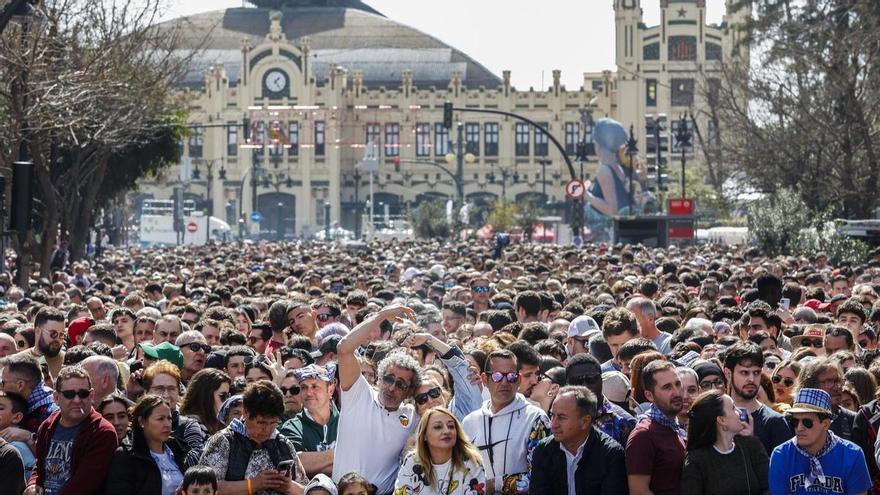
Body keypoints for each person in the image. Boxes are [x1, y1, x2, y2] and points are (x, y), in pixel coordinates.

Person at [332, 305, 421, 494]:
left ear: (410, 391)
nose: (392, 387)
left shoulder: (414, 417)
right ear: (379, 378)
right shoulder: (359, 394)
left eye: (401, 384)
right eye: (388, 379)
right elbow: (344, 348)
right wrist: (381, 316)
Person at [462, 349, 549, 494]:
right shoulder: (469, 422)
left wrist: (496, 484)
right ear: (484, 379)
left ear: (519, 379)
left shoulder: (535, 418)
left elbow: (541, 475)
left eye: (511, 377)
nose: (505, 382)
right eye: (497, 376)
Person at [199, 380, 307, 495]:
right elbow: (203, 487)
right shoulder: (224, 441)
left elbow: (306, 490)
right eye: (261, 423)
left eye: (273, 423)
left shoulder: (283, 444)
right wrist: (253, 484)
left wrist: (289, 486)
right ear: (245, 412)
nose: (267, 430)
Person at [27, 366, 118, 495]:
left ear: (91, 395)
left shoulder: (102, 432)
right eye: (69, 394)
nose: (77, 400)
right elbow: (41, 466)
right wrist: (33, 483)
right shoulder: (47, 425)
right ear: (56, 397)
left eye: (83, 394)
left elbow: (84, 485)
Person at [770, 388, 871, 495]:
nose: (799, 428)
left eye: (807, 422)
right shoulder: (781, 454)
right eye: (794, 422)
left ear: (826, 424)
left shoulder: (852, 454)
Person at [530, 386, 627, 495]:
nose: (554, 424)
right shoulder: (543, 451)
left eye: (562, 417)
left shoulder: (611, 454)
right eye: (552, 415)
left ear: (585, 421)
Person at [681, 390, 770, 494]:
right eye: (733, 408)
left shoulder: (751, 445)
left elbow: (769, 487)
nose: (740, 412)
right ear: (722, 420)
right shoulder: (696, 461)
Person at [104, 394, 186, 495]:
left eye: (169, 418)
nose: (167, 424)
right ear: (141, 421)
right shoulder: (126, 456)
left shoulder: (180, 450)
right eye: (160, 419)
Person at [625, 360, 685, 495]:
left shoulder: (674, 427)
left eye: (678, 384)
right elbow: (639, 491)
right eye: (667, 387)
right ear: (649, 395)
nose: (676, 392)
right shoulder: (643, 435)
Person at [394, 406, 485, 495]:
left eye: (451, 426)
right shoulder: (412, 461)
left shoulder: (471, 462)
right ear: (424, 435)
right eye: (438, 427)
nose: (447, 431)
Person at [722, 341, 792, 454]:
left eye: (756, 372)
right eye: (744, 373)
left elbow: (783, 470)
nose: (751, 379)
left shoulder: (775, 422)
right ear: (728, 374)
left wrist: (753, 444)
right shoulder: (715, 417)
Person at [279, 364, 338, 477]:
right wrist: (343, 454)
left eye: (315, 386)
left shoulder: (347, 421)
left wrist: (315, 462)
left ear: (330, 390)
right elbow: (297, 462)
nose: (309, 393)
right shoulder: (292, 427)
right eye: (304, 387)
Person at [566, 353, 635, 447]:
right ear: (567, 384)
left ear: (601, 380)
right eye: (577, 381)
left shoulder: (624, 422)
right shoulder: (559, 417)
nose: (585, 385)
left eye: (591, 379)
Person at [798, 357, 857, 441]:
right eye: (829, 382)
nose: (837, 387)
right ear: (811, 385)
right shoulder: (794, 420)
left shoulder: (852, 420)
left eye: (839, 381)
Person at [0, 352, 58, 434]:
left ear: (20, 385)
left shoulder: (50, 414)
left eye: (3, 383)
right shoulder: (31, 407)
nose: (1, 388)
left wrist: (29, 437)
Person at [179, 368, 232, 435]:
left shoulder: (220, 425)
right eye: (223, 396)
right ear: (205, 396)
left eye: (228, 396)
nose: (227, 402)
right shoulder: (191, 427)